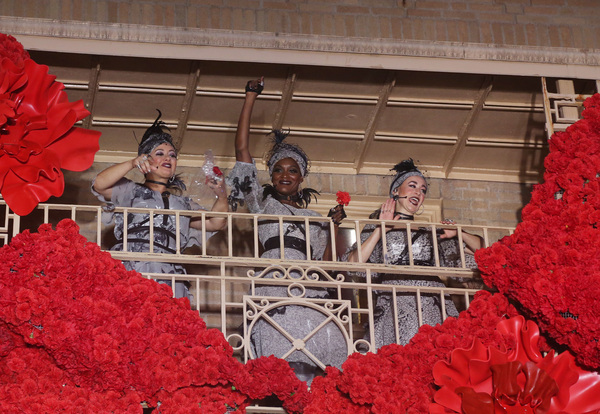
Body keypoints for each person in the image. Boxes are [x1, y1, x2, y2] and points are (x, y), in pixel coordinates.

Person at [228, 78, 347, 384]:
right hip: (276, 283)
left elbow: (327, 264)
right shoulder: (262, 204)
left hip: (309, 287)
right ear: (271, 175)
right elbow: (242, 150)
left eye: (292, 170)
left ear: (301, 177)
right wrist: (250, 97)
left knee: (316, 358)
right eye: (278, 169)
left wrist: (333, 227)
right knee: (278, 360)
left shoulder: (313, 217)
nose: (284, 175)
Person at [344, 159, 482, 349]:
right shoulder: (376, 227)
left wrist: (459, 232)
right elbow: (354, 262)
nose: (419, 192)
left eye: (423, 190)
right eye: (412, 186)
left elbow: (482, 249)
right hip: (395, 303)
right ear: (395, 192)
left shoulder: (431, 230)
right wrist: (381, 229)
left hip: (431, 302)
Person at [92, 111, 228, 302]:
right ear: (146, 159)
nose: (168, 158)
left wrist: (221, 192)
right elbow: (100, 183)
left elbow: (217, 222)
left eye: (172, 155)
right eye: (160, 153)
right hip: (133, 269)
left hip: (169, 274)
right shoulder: (131, 191)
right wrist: (132, 163)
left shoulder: (183, 203)